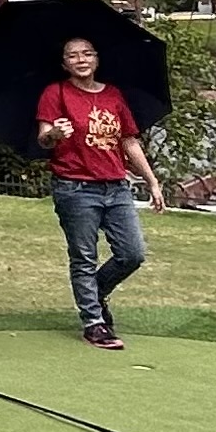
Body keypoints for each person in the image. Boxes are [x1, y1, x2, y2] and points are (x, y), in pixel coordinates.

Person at [37, 34, 164, 351]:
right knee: (84, 256)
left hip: (116, 186)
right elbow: (43, 138)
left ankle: (95, 293)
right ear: (64, 64)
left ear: (97, 59)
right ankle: (94, 322)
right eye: (72, 55)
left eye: (87, 53)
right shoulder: (56, 93)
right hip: (75, 187)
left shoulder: (113, 95)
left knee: (132, 254)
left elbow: (129, 140)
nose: (80, 60)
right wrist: (55, 133)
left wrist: (151, 181)